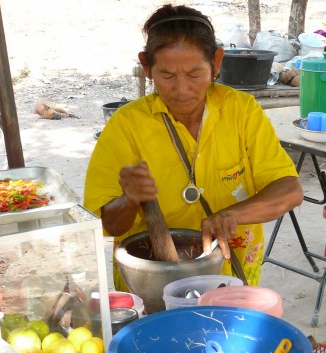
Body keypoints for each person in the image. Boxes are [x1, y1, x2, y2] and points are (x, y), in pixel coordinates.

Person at [84, 3, 303, 290]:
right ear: (147, 66)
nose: (182, 89)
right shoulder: (126, 125)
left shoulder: (241, 111)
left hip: (230, 270)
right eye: (167, 76)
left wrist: (231, 215)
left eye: (194, 74)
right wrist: (129, 200)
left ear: (217, 61)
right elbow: (110, 225)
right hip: (150, 279)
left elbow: (290, 190)